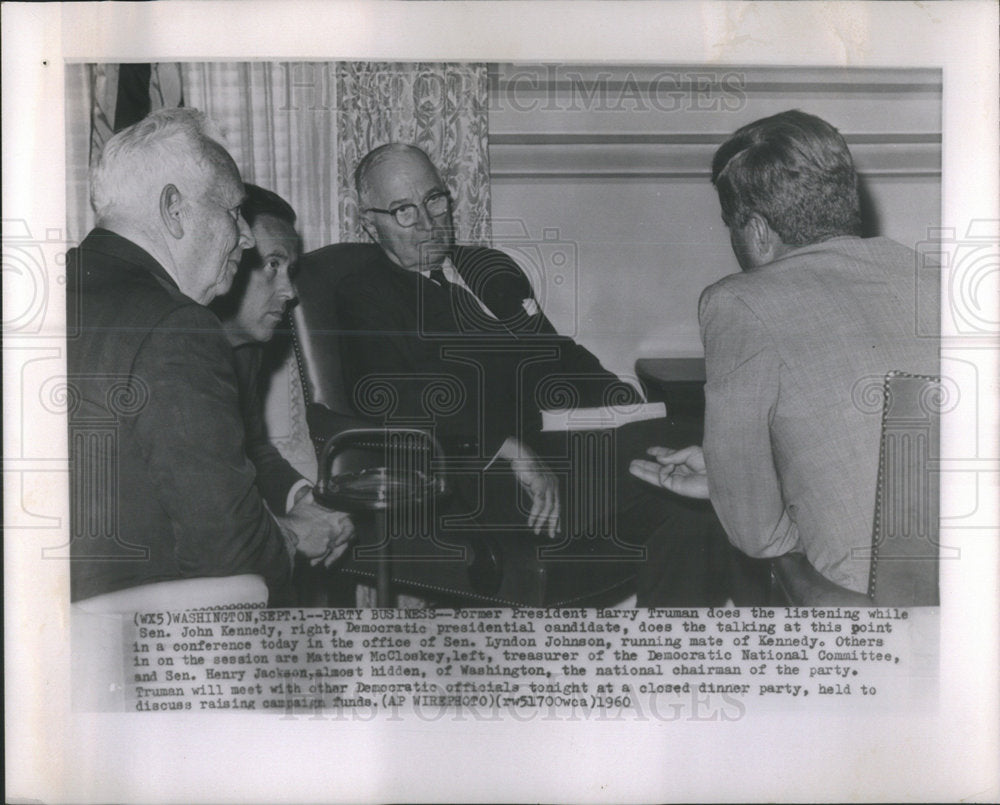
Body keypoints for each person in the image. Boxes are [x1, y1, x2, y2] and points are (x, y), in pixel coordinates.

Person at [332, 143, 731, 606]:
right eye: (403, 210)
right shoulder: (363, 295)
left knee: (694, 495)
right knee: (705, 459)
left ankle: (671, 669)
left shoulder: (487, 269)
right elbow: (391, 399)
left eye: (434, 199)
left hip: (564, 439)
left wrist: (620, 399)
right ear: (370, 222)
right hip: (480, 475)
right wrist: (505, 446)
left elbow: (554, 351)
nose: (426, 220)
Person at [631, 109, 939, 597]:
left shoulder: (737, 303)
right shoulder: (932, 275)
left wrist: (743, 496)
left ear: (755, 229)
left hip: (872, 596)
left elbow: (758, 535)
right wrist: (730, 479)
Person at [67, 108, 332, 605]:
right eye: (233, 212)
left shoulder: (45, 290)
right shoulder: (177, 327)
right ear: (174, 210)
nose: (247, 237)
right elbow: (230, 555)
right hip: (144, 641)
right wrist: (294, 537)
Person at [210, 183, 354, 570]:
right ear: (225, 260)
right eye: (272, 265)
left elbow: (253, 448)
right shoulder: (175, 352)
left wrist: (305, 499)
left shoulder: (248, 349)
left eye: (290, 270)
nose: (290, 292)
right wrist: (289, 532)